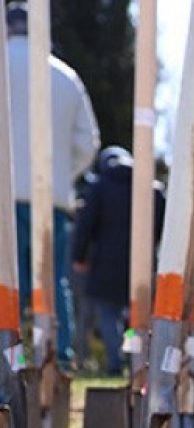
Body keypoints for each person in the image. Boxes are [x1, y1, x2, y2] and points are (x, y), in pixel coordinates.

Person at [5, 1, 102, 370]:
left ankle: (9, 356)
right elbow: (88, 143)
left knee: (7, 281)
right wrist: (60, 173)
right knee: (51, 277)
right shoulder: (64, 77)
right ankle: (57, 356)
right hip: (52, 197)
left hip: (5, 197)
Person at [69, 146, 166, 376]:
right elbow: (161, 223)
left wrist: (79, 256)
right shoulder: (149, 188)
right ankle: (136, 360)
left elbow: (85, 225)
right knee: (134, 317)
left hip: (105, 264)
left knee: (108, 315)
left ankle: (116, 361)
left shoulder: (99, 188)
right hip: (140, 264)